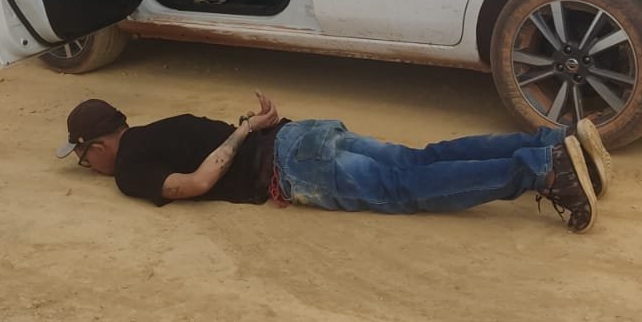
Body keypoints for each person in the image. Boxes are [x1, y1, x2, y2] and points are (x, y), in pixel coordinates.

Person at [54, 92, 613, 233]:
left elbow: (197, 183)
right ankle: (555, 140)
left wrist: (248, 129)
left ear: (96, 146)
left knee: (409, 187)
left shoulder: (129, 170)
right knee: (421, 158)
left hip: (294, 169)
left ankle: (543, 170)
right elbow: (217, 141)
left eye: (83, 159)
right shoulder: (159, 126)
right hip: (302, 133)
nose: (89, 167)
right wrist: (252, 125)